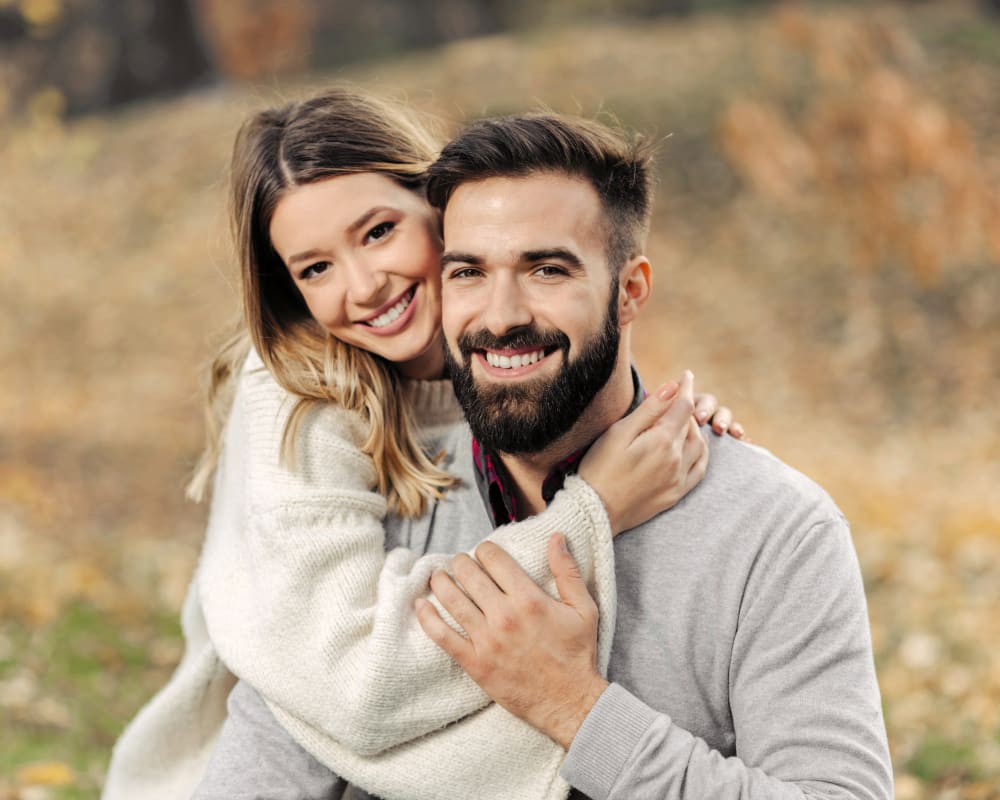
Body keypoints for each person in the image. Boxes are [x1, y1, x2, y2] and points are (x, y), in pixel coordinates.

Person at [196, 113, 893, 800]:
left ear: (630, 291)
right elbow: (273, 750)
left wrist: (577, 710)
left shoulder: (771, 530)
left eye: (547, 269)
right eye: (469, 271)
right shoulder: (382, 488)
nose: (500, 315)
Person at [101, 89, 742, 800]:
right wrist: (598, 507)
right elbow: (351, 687)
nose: (365, 285)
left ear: (439, 206)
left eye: (377, 232)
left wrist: (659, 422)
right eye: (315, 269)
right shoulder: (298, 397)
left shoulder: (501, 361)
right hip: (268, 758)